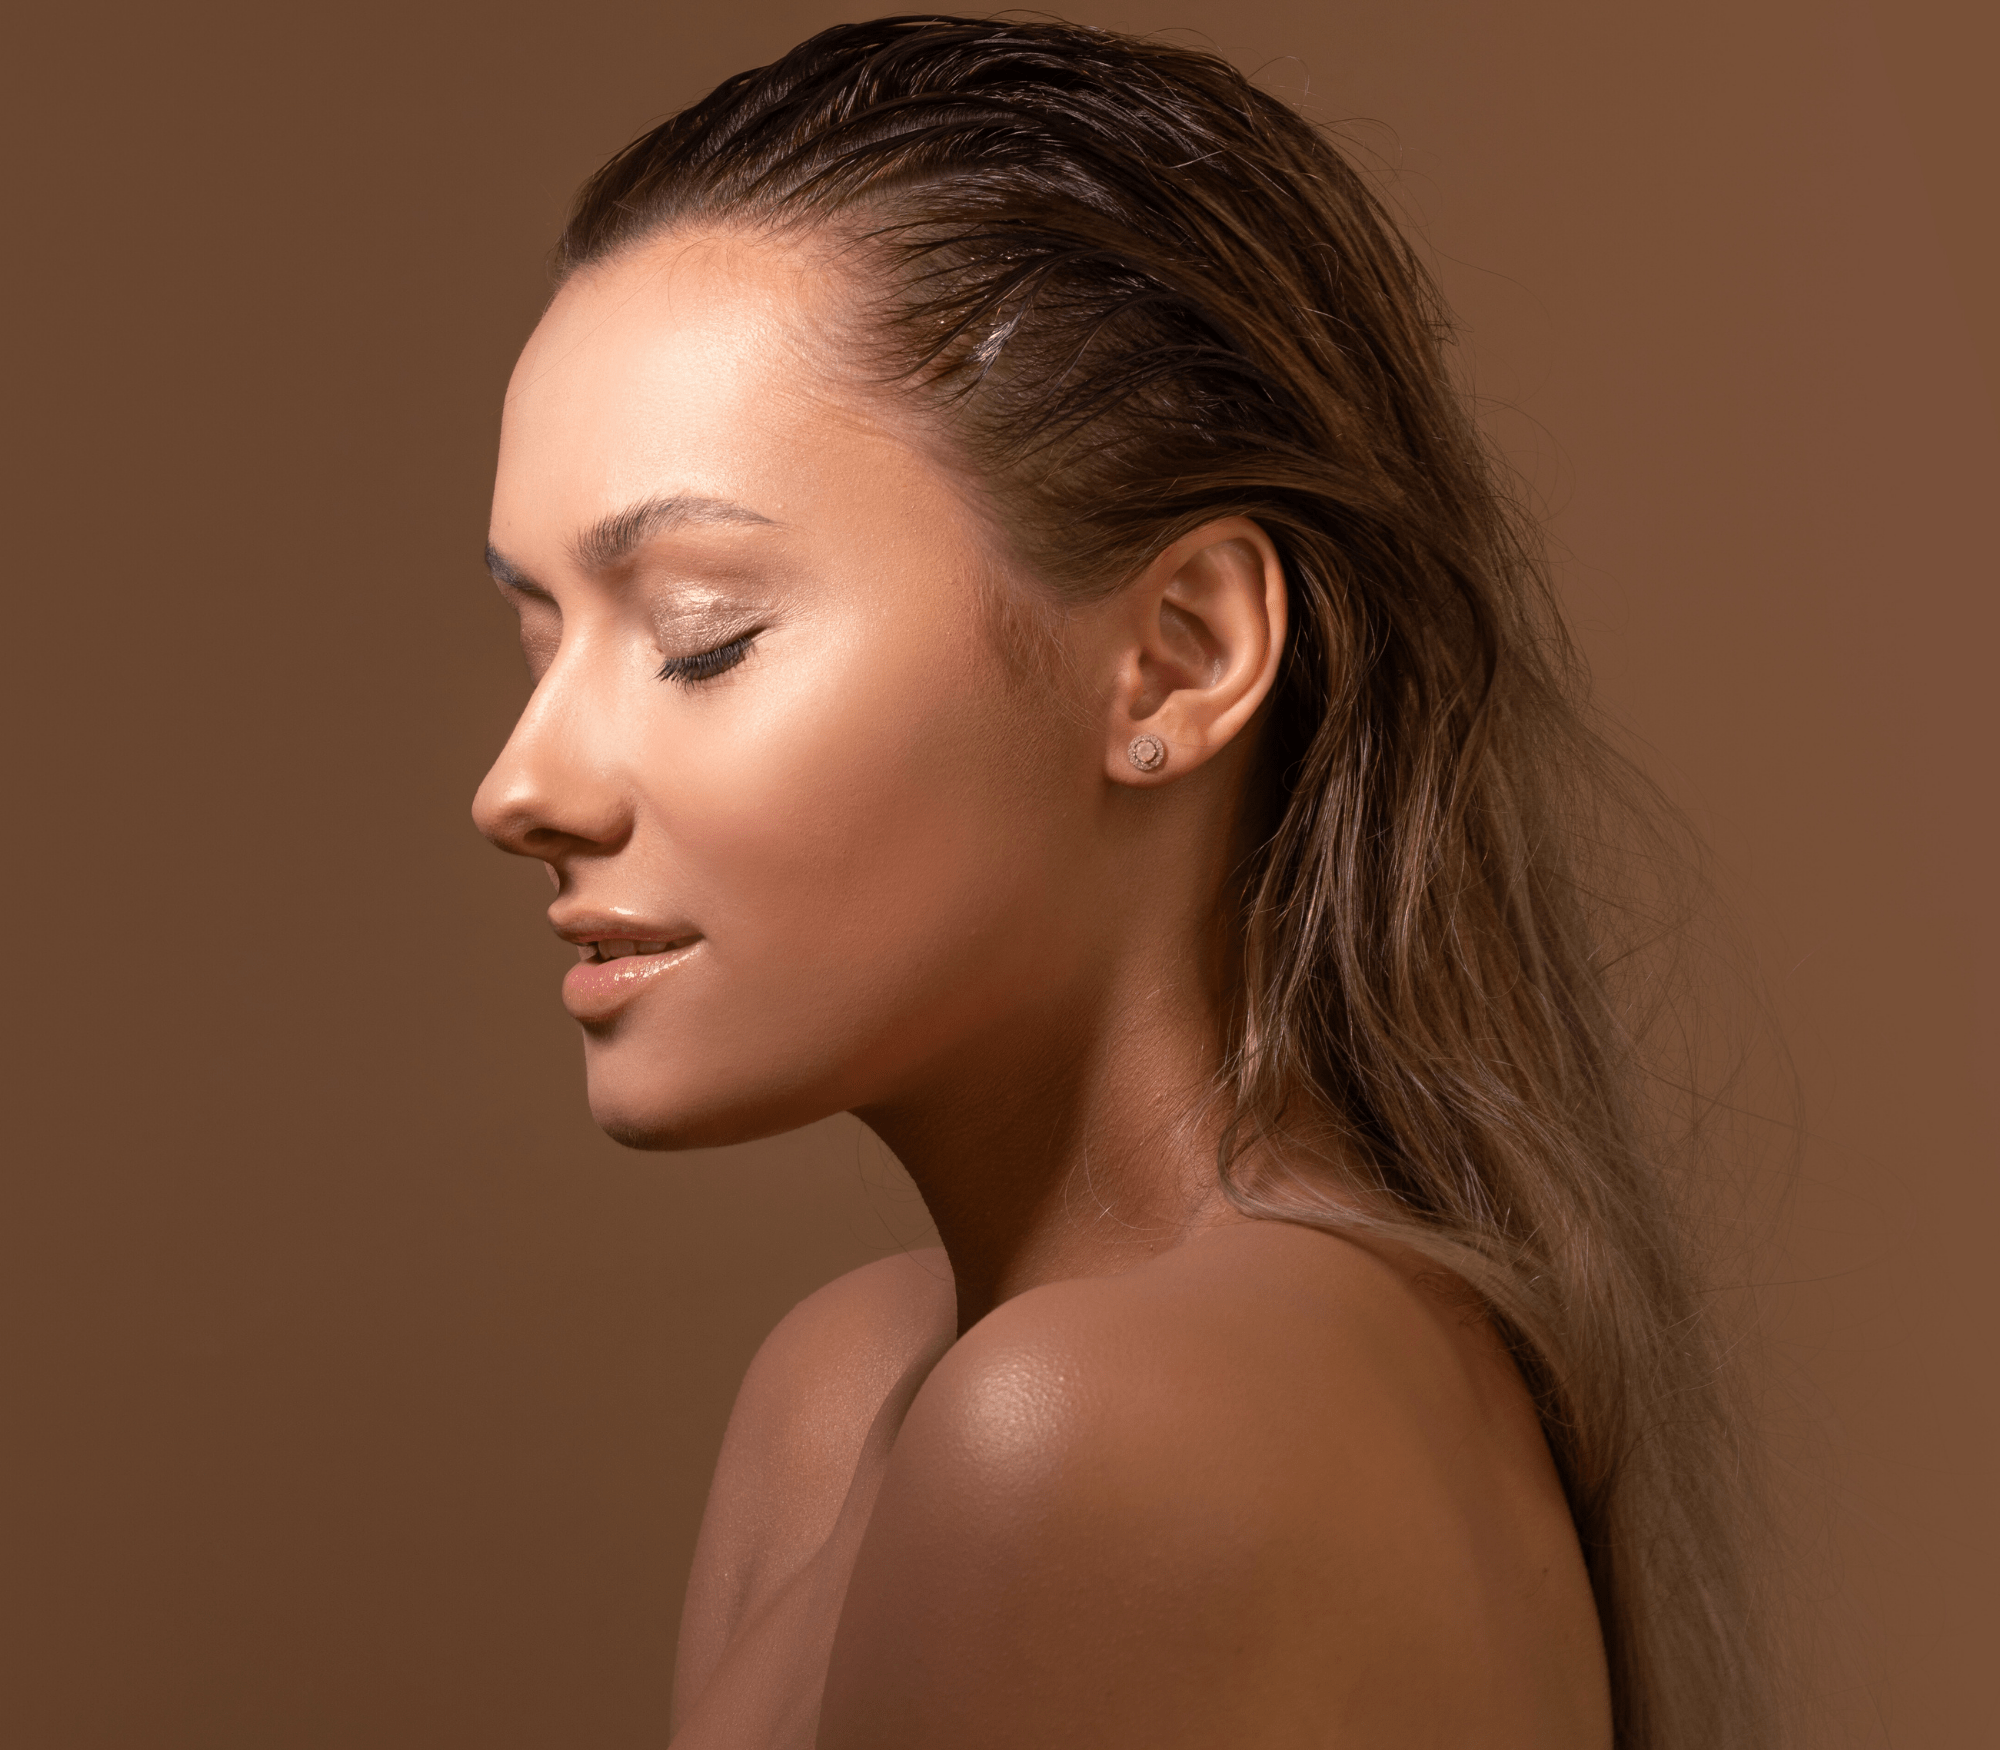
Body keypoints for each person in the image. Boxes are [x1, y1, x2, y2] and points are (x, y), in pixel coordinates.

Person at [472, 17, 1764, 1747]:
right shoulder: (850, 1391)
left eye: (700, 638)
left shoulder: (1092, 1431)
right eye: (536, 638)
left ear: (1177, 657)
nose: (520, 785)